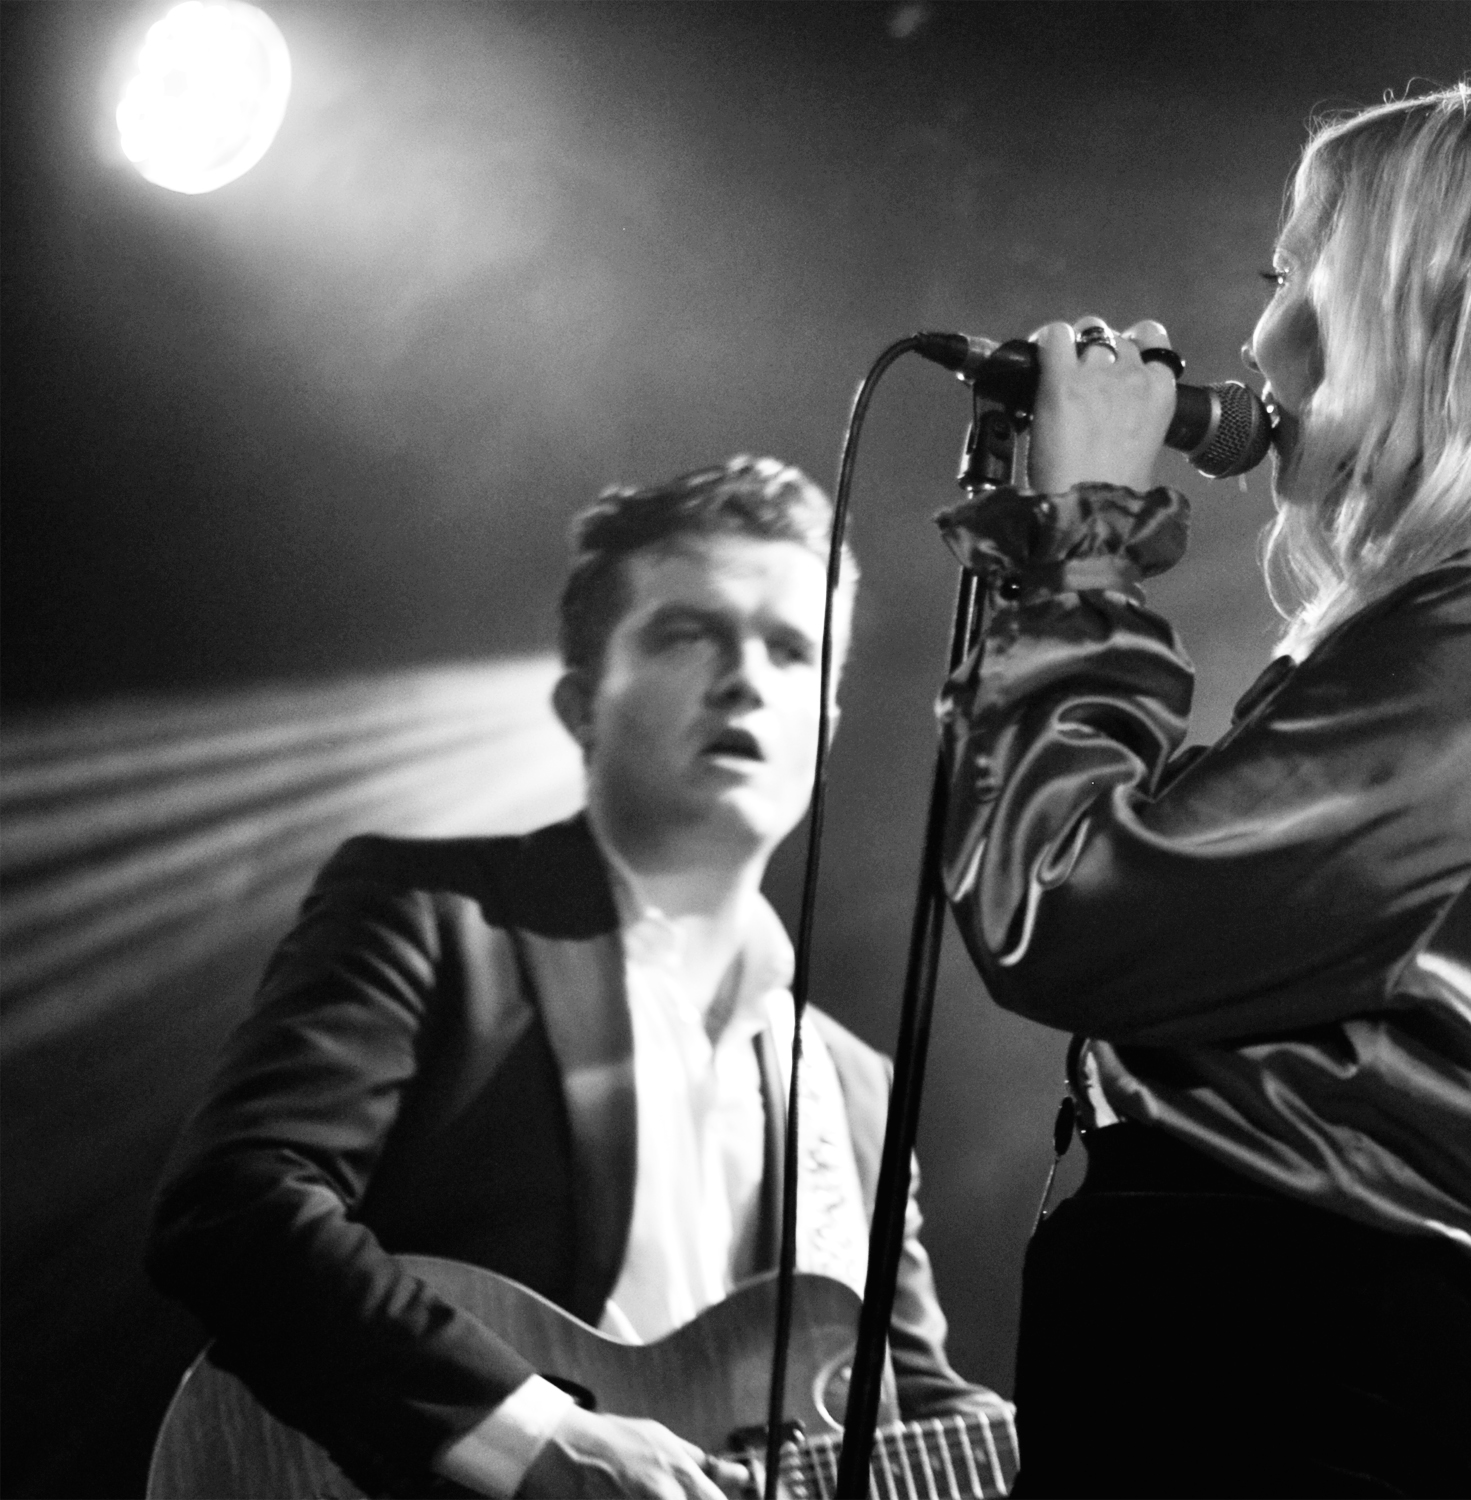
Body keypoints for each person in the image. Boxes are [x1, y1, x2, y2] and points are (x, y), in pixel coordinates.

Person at [930, 82, 1471, 1498]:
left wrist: (1086, 541)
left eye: (1295, 276)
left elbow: (1066, 903)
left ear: (1426, 297)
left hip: (1278, 1386)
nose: (1261, 338)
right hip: (1263, 1361)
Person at [149, 455, 1005, 1500]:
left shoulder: (855, 1092)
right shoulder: (435, 919)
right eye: (687, 633)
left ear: (823, 730)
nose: (746, 679)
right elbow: (232, 1209)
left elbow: (912, 1411)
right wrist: (536, 1436)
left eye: (791, 651)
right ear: (578, 702)